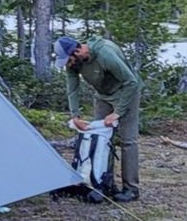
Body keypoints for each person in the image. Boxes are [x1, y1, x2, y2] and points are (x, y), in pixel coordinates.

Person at [54, 35, 142, 203]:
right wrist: (75, 115)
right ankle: (103, 182)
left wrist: (118, 112)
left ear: (78, 50)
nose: (68, 64)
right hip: (102, 95)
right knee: (101, 138)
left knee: (128, 141)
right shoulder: (74, 63)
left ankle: (131, 189)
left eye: (68, 60)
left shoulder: (105, 55)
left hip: (126, 91)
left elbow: (131, 82)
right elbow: (72, 88)